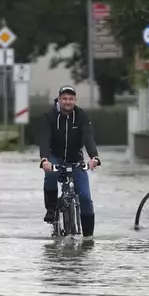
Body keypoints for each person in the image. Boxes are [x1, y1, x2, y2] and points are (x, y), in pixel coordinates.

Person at [39, 85, 101, 237]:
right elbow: (45, 139)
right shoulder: (50, 116)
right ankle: (51, 210)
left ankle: (88, 237)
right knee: (51, 176)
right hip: (55, 156)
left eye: (71, 99)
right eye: (65, 98)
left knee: (85, 197)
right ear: (59, 99)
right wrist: (45, 159)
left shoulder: (82, 116)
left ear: (75, 100)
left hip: (75, 159)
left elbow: (88, 137)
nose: (68, 102)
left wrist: (94, 157)